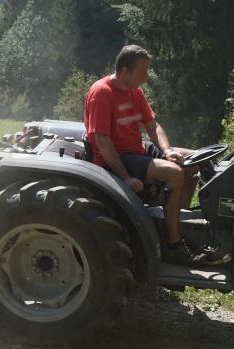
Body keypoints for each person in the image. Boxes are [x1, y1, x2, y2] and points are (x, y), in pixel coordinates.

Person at [83, 44, 201, 266]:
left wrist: (168, 150)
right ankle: (172, 243)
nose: (147, 77)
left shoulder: (135, 92)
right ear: (125, 71)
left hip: (137, 151)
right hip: (116, 159)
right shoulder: (102, 93)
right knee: (175, 173)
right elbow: (102, 141)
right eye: (143, 72)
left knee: (193, 160)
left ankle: (177, 223)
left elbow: (152, 125)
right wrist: (125, 176)